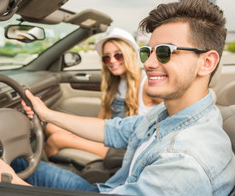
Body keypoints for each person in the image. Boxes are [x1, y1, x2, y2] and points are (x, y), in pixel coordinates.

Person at [0, 0, 235, 196]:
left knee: (2, 172)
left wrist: (11, 185)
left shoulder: (186, 161)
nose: (148, 64)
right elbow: (115, 128)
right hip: (107, 192)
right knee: (18, 163)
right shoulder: (171, 114)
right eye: (148, 52)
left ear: (207, 62)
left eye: (166, 52)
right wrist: (47, 114)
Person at [45, 27, 162, 158]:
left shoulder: (146, 84)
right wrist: (79, 133)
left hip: (126, 148)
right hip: (110, 136)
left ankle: (43, 176)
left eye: (118, 55)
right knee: (51, 127)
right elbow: (101, 119)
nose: (112, 61)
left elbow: (170, 115)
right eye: (106, 57)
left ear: (130, 54)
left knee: (56, 139)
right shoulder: (115, 83)